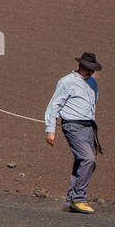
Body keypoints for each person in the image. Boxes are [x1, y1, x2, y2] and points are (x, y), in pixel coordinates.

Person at [44, 52, 103, 214]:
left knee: (83, 162)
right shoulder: (67, 82)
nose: (91, 72)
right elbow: (54, 104)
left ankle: (71, 200)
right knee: (87, 159)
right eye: (88, 69)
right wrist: (50, 130)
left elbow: (92, 105)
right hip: (72, 126)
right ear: (80, 66)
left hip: (88, 127)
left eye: (93, 69)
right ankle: (79, 199)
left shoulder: (92, 84)